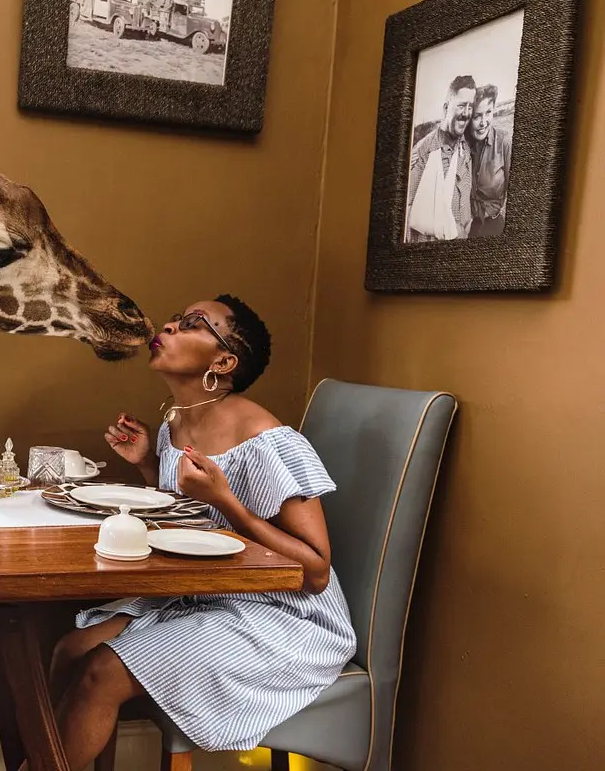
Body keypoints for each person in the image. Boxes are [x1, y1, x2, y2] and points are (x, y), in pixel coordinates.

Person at [37, 295, 356, 768]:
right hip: (204, 594)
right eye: (175, 319)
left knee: (102, 671)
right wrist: (149, 463)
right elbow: (188, 519)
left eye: (192, 324)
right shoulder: (176, 423)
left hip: (285, 618)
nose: (168, 326)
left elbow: (316, 572)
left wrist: (227, 501)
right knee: (70, 650)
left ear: (223, 363)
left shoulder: (265, 437)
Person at [405, 74, 476, 243]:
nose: (466, 113)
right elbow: (409, 214)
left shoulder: (465, 150)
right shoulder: (422, 152)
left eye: (470, 107)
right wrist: (449, 228)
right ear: (445, 108)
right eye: (461, 105)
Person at [467, 83, 512, 237]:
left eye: (488, 112)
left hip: (493, 227)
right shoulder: (461, 144)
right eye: (477, 116)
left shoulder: (505, 142)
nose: (483, 122)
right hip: (464, 229)